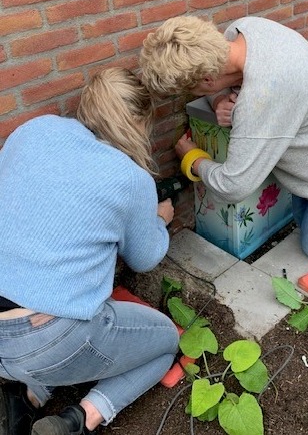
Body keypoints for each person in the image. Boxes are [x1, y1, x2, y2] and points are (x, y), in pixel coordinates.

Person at [140, 15, 308, 262]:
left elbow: (234, 184)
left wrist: (193, 158)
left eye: (194, 90)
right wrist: (218, 100)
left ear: (208, 78)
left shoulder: (264, 96)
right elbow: (230, 89)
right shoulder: (246, 29)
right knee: (301, 219)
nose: (194, 95)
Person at [0, 67, 180, 435]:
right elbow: (144, 259)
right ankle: (78, 421)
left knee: (52, 352)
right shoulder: (131, 178)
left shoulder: (34, 130)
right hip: (44, 335)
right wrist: (159, 220)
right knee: (166, 342)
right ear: (138, 122)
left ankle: (22, 400)